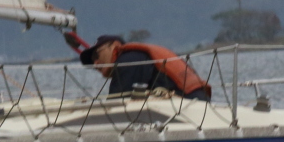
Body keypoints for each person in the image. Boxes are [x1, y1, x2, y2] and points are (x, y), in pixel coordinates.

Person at [65, 32, 211, 100]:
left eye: (96, 55)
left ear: (114, 46)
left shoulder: (129, 60)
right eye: (92, 62)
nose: (95, 63)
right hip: (196, 102)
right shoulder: (136, 57)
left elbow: (116, 106)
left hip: (188, 104)